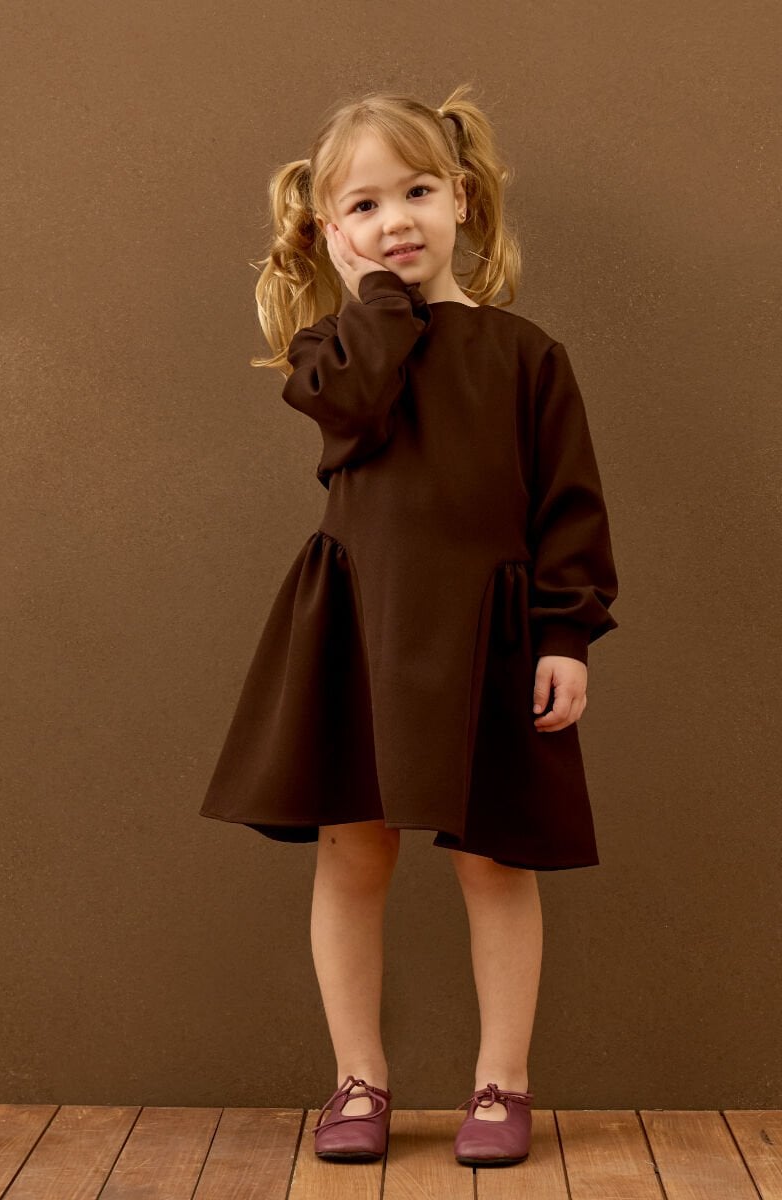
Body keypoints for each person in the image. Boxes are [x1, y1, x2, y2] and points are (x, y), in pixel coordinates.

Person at [199, 83, 619, 1168]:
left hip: (493, 634)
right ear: (329, 230)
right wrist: (377, 300)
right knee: (352, 855)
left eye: (418, 193)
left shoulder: (527, 355)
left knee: (495, 865)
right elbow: (355, 411)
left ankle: (502, 1082)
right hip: (361, 632)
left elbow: (569, 506)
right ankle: (358, 1080)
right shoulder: (333, 353)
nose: (396, 221)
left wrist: (565, 637)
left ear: (462, 199)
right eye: (365, 206)